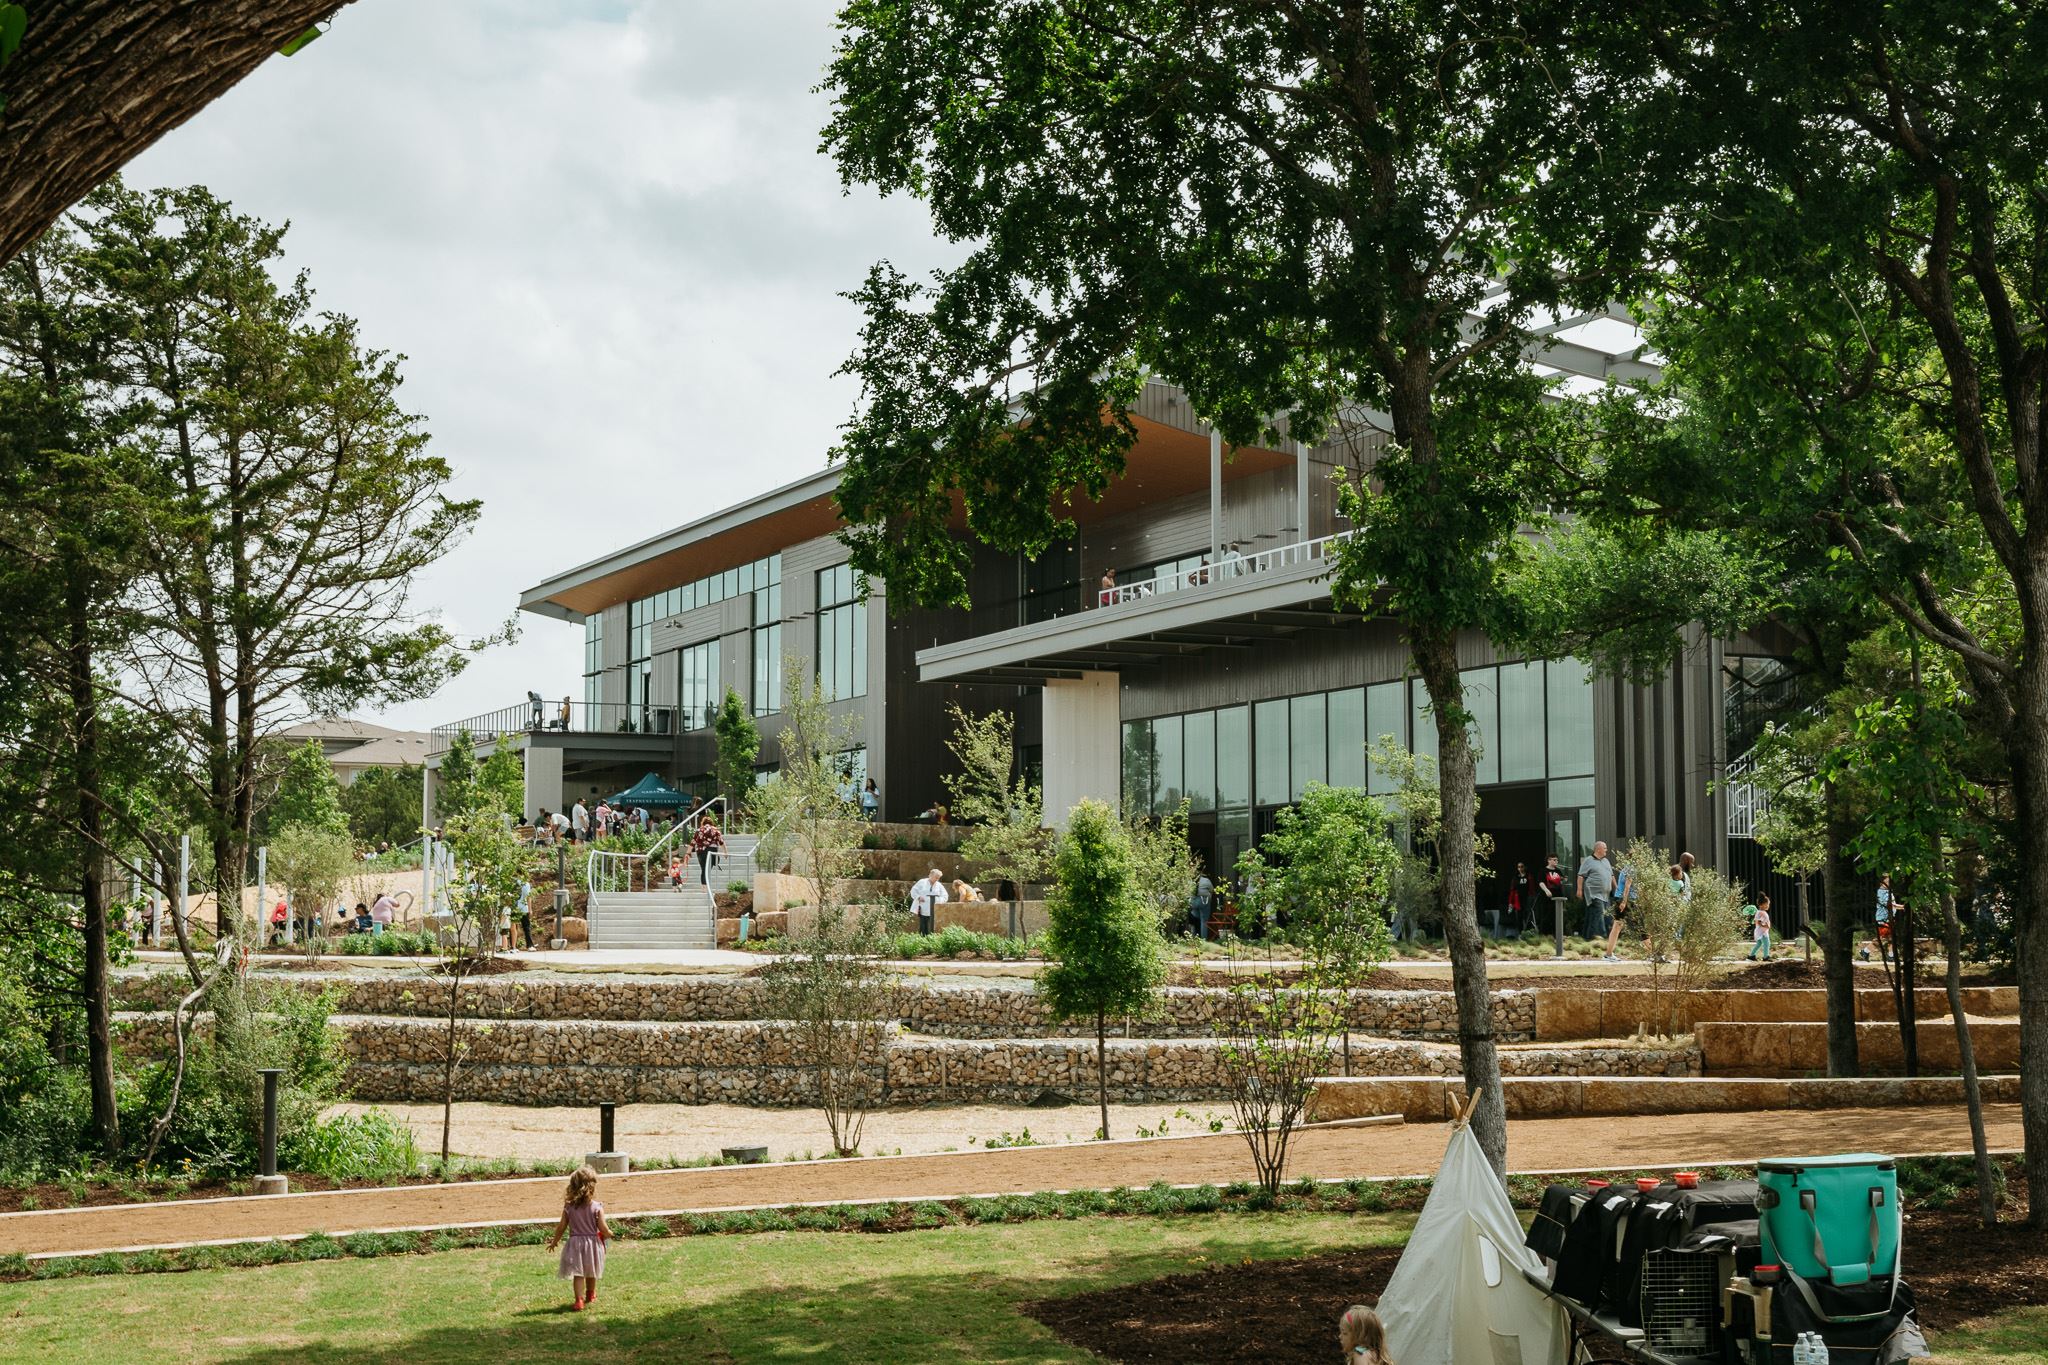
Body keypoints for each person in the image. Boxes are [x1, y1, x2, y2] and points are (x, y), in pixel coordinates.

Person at [544, 1164, 612, 1312]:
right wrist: (609, 1234)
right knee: (591, 1270)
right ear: (591, 1187)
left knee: (579, 1274)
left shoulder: (569, 1207)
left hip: (575, 1244)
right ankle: (590, 1294)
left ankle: (579, 1300)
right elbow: (603, 1228)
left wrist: (554, 1241)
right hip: (592, 1243)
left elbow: (561, 1227)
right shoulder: (597, 1207)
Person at [1576, 840, 1614, 941]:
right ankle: (1600, 937)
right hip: (1593, 893)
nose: (1607, 850)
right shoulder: (1588, 860)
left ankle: (1587, 936)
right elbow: (1580, 875)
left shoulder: (1606, 861)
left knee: (1599, 915)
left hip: (1605, 895)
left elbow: (1611, 875)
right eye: (1604, 848)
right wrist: (1579, 890)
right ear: (1598, 849)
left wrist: (1617, 888)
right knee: (1599, 914)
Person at [1604, 861, 1637, 961]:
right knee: (1641, 926)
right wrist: (1624, 902)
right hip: (1626, 900)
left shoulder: (1627, 868)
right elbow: (1627, 886)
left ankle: (1608, 954)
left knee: (1617, 926)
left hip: (1622, 899)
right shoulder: (1631, 869)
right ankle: (1653, 954)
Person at [910, 868, 949, 934]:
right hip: (923, 908)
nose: (937, 879)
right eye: (936, 877)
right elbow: (913, 891)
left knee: (932, 926)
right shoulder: (922, 882)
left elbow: (945, 896)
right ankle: (922, 939)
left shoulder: (939, 885)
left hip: (934, 909)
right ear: (930, 875)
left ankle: (931, 939)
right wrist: (918, 897)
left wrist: (938, 901)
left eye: (938, 878)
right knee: (923, 925)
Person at [692, 814, 725, 885]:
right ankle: (715, 861)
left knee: (704, 869)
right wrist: (725, 852)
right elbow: (721, 842)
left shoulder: (699, 830)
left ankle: (704, 887)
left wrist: (688, 853)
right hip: (712, 850)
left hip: (701, 851)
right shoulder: (715, 830)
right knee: (708, 869)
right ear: (711, 823)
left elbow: (693, 842)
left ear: (703, 823)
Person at [1507, 861, 1535, 936]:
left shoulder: (1529, 876)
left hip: (1527, 899)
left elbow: (1532, 888)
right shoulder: (1515, 878)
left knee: (1528, 916)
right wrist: (1511, 903)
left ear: (1525, 867)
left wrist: (1532, 897)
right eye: (1518, 867)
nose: (1520, 868)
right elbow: (1512, 891)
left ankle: (1528, 933)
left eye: (1521, 866)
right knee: (1519, 917)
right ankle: (1520, 934)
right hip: (1518, 900)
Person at [1875, 873, 1896, 960]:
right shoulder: (1880, 892)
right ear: (1881, 883)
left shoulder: (1888, 891)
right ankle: (1866, 951)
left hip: (1889, 918)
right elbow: (1888, 904)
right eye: (1886, 881)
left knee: (1891, 937)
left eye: (1889, 881)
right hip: (1883, 918)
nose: (1888, 883)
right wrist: (1901, 907)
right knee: (1881, 937)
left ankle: (1891, 955)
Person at [1189, 871, 1215, 939]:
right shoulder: (1206, 880)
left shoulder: (1191, 881)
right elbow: (1212, 889)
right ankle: (1203, 940)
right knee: (1204, 921)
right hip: (1204, 901)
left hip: (1194, 901)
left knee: (1195, 919)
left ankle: (1193, 938)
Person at [1748, 892, 1774, 960]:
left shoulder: (1760, 912)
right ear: (1762, 904)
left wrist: (1765, 925)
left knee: (1759, 943)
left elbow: (1758, 921)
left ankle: (1751, 955)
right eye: (1767, 904)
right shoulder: (1761, 912)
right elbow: (1758, 921)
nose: (1768, 905)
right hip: (1762, 932)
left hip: (1760, 931)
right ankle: (1766, 957)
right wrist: (1765, 925)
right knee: (1767, 943)